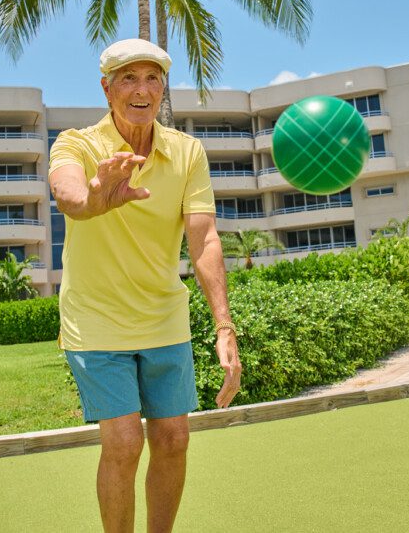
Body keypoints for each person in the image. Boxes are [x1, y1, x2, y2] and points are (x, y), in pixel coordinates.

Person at [48, 38, 242, 532]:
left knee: (174, 439)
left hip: (164, 318)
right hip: (96, 321)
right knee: (123, 442)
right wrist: (96, 200)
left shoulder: (187, 151)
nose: (142, 90)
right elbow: (68, 194)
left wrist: (224, 325)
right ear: (106, 88)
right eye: (129, 78)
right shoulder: (76, 143)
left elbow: (204, 241)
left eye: (152, 78)